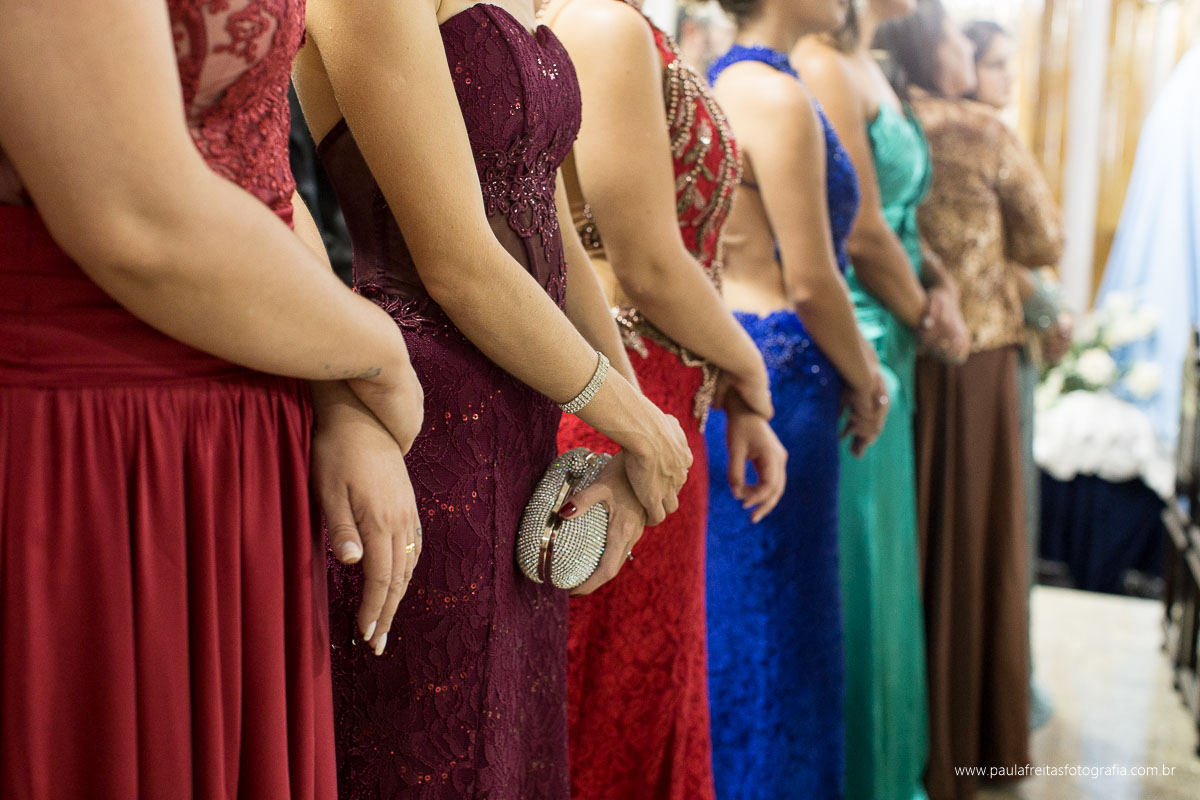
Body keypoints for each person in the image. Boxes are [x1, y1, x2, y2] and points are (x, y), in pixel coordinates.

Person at [0, 0, 429, 797]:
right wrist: (379, 356)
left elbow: (261, 171)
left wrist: (334, 391)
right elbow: (135, 218)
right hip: (91, 442)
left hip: (242, 432)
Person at [292, 0, 692, 797]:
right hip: (424, 425)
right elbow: (458, 263)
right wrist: (639, 425)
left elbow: (551, 224)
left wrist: (631, 424)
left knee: (512, 751)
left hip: (529, 425)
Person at [538, 0, 788, 796]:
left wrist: (730, 389)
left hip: (664, 390)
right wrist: (751, 368)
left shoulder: (622, 22)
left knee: (641, 697)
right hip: (623, 399)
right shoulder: (602, 24)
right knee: (610, 706)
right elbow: (646, 264)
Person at [875, 4, 1064, 798]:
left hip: (904, 346)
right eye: (960, 40)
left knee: (916, 534)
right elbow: (1046, 239)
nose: (971, 54)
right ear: (935, 48)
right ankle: (978, 735)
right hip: (980, 355)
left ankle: (914, 735)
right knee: (981, 539)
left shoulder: (889, 117)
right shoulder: (986, 132)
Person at [705, 0, 892, 796]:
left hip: (745, 360)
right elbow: (813, 281)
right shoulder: (777, 97)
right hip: (786, 372)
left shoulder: (722, 80)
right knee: (783, 620)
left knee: (746, 610)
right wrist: (869, 377)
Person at [793, 1, 971, 798]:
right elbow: (859, 230)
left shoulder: (872, 67)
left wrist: (943, 286)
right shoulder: (823, 63)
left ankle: (893, 768)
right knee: (855, 567)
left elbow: (902, 217)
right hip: (853, 336)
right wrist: (927, 316)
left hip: (894, 327)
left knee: (888, 563)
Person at [964, 17, 1071, 730]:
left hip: (997, 338)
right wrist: (1047, 305)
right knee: (1007, 519)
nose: (1007, 76)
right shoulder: (983, 137)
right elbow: (1033, 245)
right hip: (993, 345)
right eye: (995, 63)